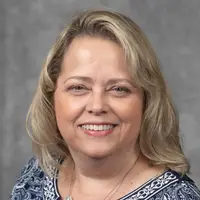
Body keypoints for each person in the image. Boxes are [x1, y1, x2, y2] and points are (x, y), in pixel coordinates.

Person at [10, 9, 200, 200]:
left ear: (147, 100)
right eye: (78, 87)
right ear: (52, 95)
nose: (97, 105)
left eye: (119, 89)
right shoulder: (36, 175)